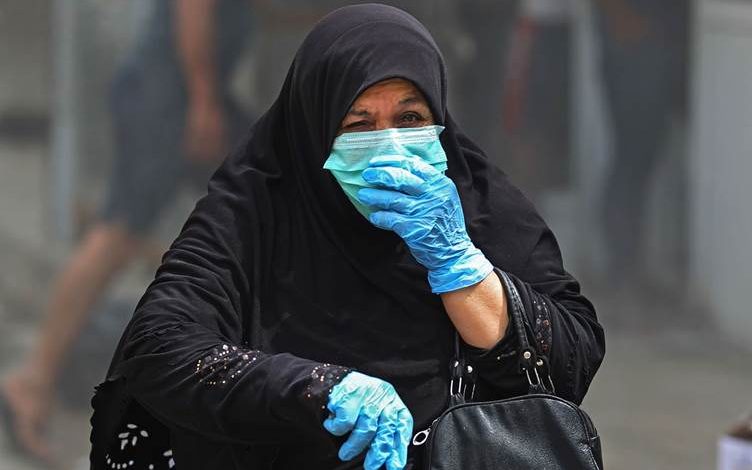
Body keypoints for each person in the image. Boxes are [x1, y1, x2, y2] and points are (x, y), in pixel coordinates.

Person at [89, 4, 604, 469]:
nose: (390, 144)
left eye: (410, 117)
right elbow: (159, 346)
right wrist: (313, 388)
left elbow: (570, 365)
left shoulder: (476, 206)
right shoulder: (253, 215)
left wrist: (461, 267)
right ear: (315, 129)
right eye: (358, 124)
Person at [0, 0, 251, 463]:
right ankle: (32, 380)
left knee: (252, 204)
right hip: (171, 97)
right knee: (118, 233)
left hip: (178, 92)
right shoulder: (186, 94)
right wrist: (203, 101)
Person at [594, 0, 689, 289]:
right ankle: (622, 265)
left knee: (640, 159)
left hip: (650, 47)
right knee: (632, 159)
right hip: (634, 50)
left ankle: (627, 264)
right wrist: (628, 24)